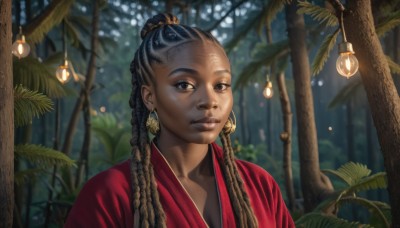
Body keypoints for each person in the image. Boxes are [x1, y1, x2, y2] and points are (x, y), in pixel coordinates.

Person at [65, 13, 295, 228]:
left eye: (220, 85)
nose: (209, 101)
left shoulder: (260, 184)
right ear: (149, 96)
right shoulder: (110, 194)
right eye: (184, 85)